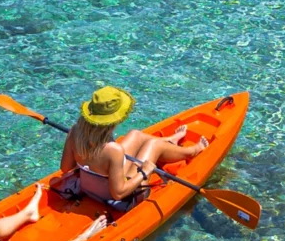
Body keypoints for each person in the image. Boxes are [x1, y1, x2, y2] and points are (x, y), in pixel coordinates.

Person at [60, 86, 209, 201]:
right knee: (153, 145)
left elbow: (65, 168)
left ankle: (170, 140)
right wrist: (145, 172)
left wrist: (88, 162)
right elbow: (119, 194)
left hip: (90, 187)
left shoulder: (75, 131)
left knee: (135, 135)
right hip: (122, 198)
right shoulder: (114, 150)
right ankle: (192, 151)